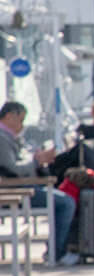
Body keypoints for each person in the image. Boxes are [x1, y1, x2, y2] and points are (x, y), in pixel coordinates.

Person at [0, 102, 73, 265]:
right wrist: (36, 161)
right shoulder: (2, 138)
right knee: (66, 203)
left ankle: (56, 250)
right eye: (20, 120)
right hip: (14, 192)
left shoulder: (9, 137)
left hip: (19, 188)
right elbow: (13, 168)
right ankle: (57, 253)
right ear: (9, 116)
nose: (22, 125)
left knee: (64, 199)